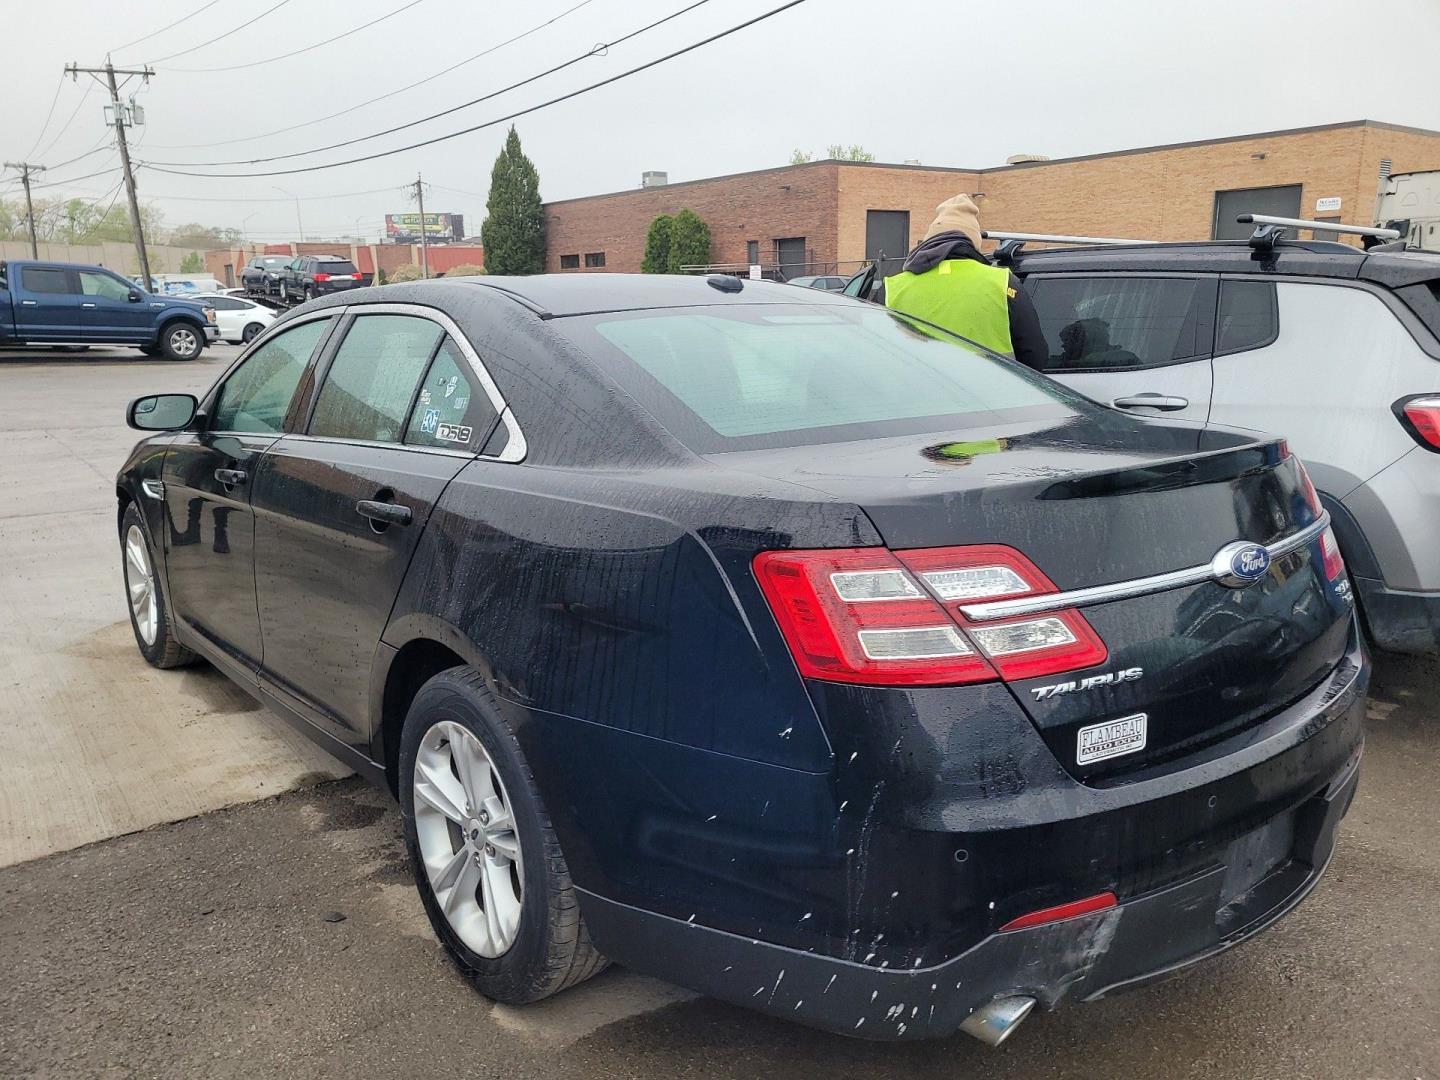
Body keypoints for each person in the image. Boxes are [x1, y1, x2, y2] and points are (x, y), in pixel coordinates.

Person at [883, 193, 1048, 371]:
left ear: (929, 239)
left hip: (915, 387)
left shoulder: (892, 288)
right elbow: (1035, 357)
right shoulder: (1003, 283)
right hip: (988, 388)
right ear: (973, 241)